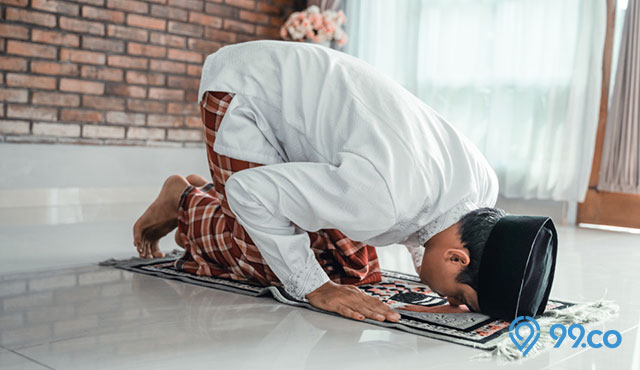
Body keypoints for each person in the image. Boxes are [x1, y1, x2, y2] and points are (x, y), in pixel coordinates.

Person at [132, 40, 556, 323]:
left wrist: (329, 277)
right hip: (245, 93)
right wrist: (315, 288)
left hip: (317, 127)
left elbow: (424, 216)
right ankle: (185, 200)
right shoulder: (385, 199)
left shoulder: (482, 188)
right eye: (463, 299)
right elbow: (251, 193)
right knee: (272, 268)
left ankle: (208, 195)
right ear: (458, 259)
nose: (452, 304)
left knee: (353, 268)